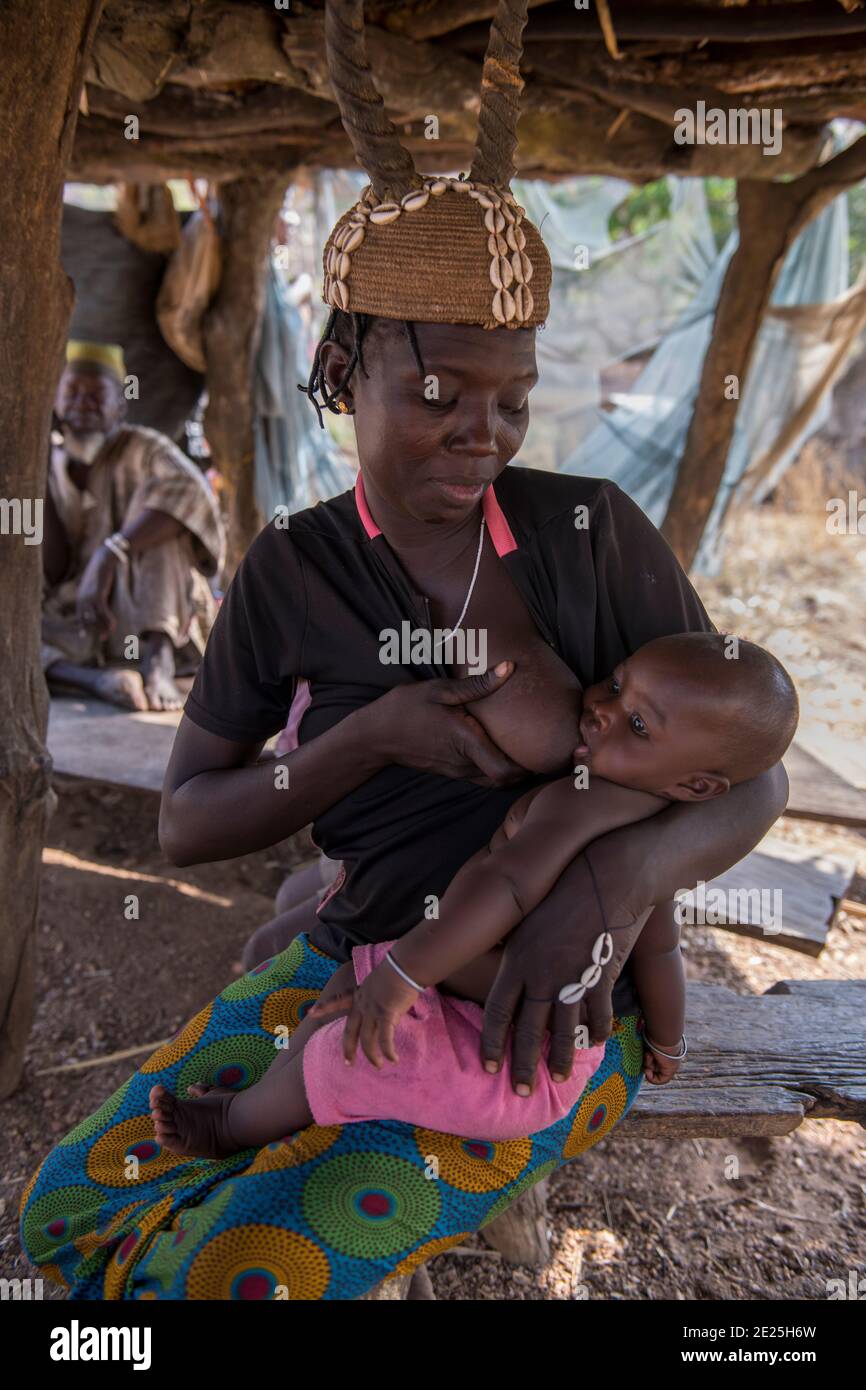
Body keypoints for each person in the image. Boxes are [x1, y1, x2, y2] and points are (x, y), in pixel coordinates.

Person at [20, 0, 788, 1300]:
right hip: (364, 962)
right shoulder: (290, 570)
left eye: (511, 397)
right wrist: (365, 739)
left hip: (542, 1020)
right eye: (438, 393)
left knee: (236, 1266)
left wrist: (608, 896)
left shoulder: (588, 533)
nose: (481, 430)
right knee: (73, 1209)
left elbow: (748, 773)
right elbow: (188, 826)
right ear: (341, 367)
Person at [149, 633, 798, 1156]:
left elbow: (505, 883)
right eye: (617, 682)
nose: (602, 705)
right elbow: (660, 952)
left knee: (345, 1044)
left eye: (636, 723)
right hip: (552, 1048)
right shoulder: (657, 833)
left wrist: (405, 970)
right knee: (354, 981)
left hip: (507, 1056)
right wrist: (669, 1041)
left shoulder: (580, 801)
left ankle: (234, 1126)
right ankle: (273, 1098)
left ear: (700, 786)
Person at [42, 339, 224, 711]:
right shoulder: (50, 461)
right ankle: (98, 681)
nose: (82, 404)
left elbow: (190, 495)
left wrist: (111, 553)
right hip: (81, 615)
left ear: (120, 406)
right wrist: (39, 470)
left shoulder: (144, 446)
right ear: (56, 403)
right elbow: (53, 569)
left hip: (150, 604)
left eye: (96, 395)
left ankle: (158, 662)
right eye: (72, 393)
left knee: (163, 514)